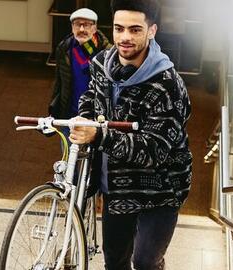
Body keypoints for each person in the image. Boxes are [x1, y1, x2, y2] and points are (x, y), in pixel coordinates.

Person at [69, 0, 193, 269]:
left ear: (152, 31)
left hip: (160, 190)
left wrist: (98, 136)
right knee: (115, 261)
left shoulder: (167, 84)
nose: (125, 37)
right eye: (119, 28)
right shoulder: (102, 62)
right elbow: (92, 95)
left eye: (135, 30)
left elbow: (154, 150)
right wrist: (85, 116)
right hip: (117, 186)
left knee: (146, 261)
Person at [48, 8, 111, 121]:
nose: (81, 29)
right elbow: (59, 82)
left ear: (95, 28)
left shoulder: (107, 53)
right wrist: (54, 110)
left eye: (86, 25)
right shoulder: (64, 48)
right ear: (72, 27)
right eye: (77, 24)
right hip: (69, 116)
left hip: (96, 118)